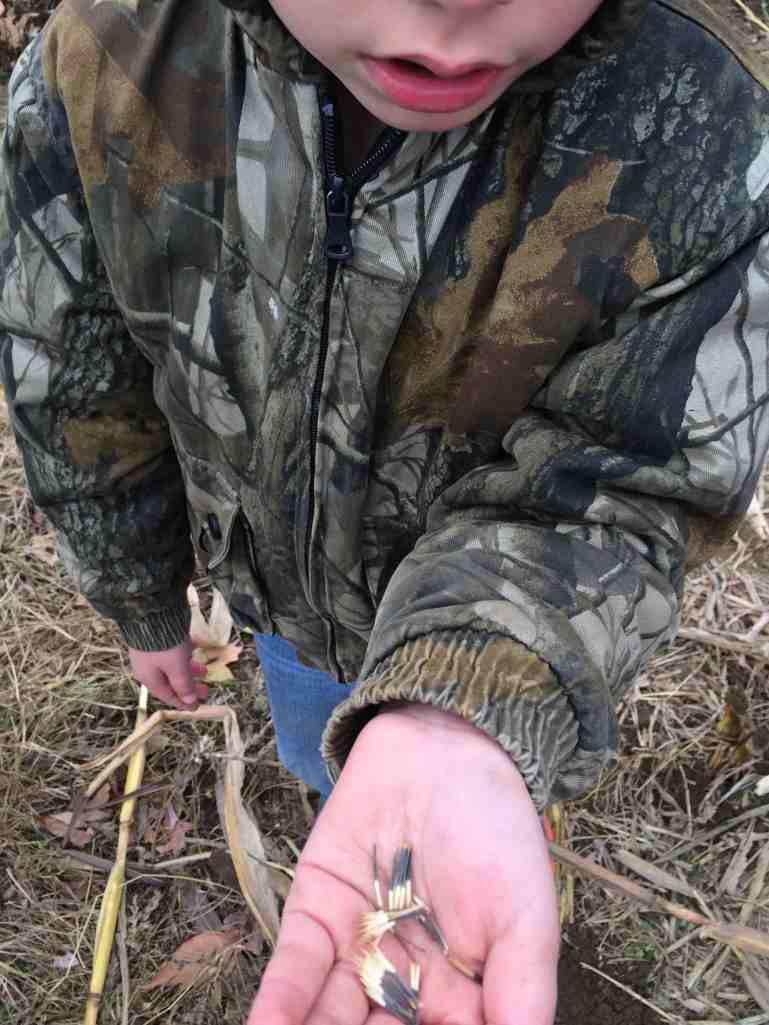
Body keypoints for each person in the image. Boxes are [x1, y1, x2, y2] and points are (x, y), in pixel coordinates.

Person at [2, 0, 768, 1021]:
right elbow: (70, 383)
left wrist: (476, 712)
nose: (454, 1)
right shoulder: (99, 66)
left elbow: (630, 471)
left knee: (486, 785)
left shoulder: (702, 126)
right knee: (317, 738)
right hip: (291, 616)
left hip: (510, 653)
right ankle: (349, 793)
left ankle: (489, 806)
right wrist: (138, 591)